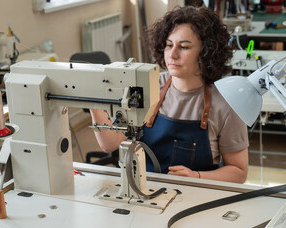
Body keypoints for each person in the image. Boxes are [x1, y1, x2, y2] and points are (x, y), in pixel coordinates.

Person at [90, 6, 249, 183]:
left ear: (206, 52)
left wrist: (196, 177)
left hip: (199, 194)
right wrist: (94, 106)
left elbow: (239, 171)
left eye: (184, 47)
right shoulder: (146, 86)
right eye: (169, 45)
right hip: (145, 187)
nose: (172, 55)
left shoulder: (225, 102)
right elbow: (110, 144)